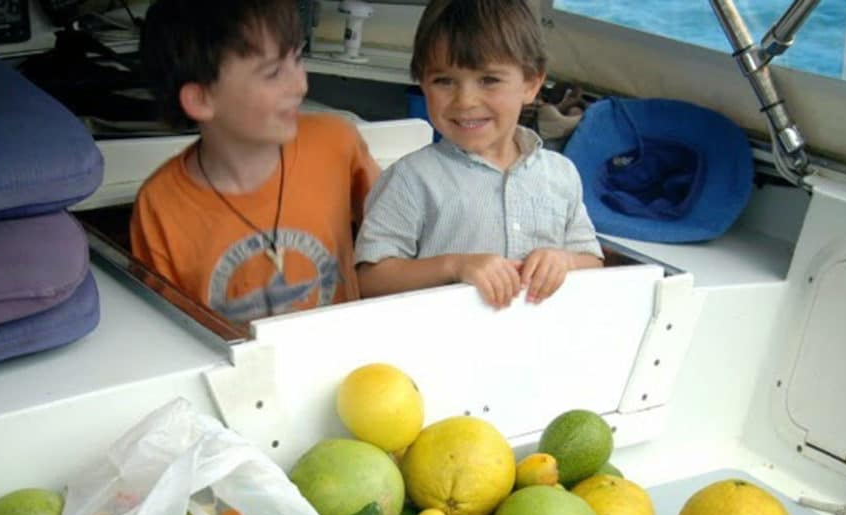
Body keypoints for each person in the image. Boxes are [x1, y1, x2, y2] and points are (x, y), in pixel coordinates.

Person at [131, 0, 380, 324]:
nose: (300, 85)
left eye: (298, 58)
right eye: (274, 73)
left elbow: (392, 252)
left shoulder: (338, 143)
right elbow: (164, 336)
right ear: (201, 99)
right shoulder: (158, 206)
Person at [354, 0, 603, 308]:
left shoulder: (562, 173)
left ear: (531, 83)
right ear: (422, 83)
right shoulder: (409, 179)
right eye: (444, 81)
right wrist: (455, 267)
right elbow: (370, 281)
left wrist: (565, 262)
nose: (466, 100)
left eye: (489, 80)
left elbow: (593, 262)